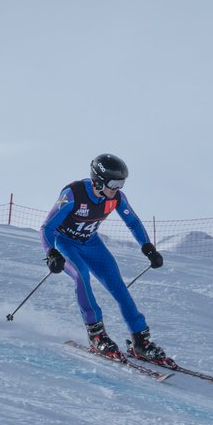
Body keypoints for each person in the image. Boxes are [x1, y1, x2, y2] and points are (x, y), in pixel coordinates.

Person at [41, 154, 170, 364]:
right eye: (114, 183)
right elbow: (47, 227)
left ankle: (140, 341)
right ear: (98, 180)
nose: (117, 188)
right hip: (66, 243)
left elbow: (133, 223)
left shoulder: (116, 198)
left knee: (118, 286)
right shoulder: (73, 194)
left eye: (122, 183)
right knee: (81, 277)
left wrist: (148, 248)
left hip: (92, 244)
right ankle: (96, 335)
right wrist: (51, 252)